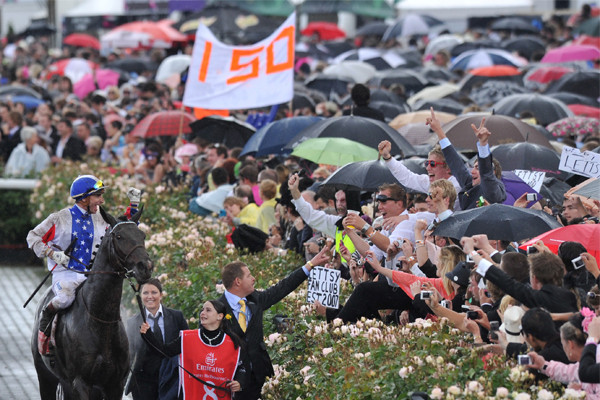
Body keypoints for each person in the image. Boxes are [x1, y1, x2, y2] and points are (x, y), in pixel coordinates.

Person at [26, 176, 139, 355]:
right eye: (98, 196)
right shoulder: (59, 218)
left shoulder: (101, 217)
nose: (102, 200)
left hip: (94, 274)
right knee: (65, 298)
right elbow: (32, 237)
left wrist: (134, 205)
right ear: (84, 198)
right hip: (66, 274)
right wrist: (51, 253)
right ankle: (46, 322)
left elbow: (124, 227)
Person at [218, 247, 329, 400]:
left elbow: (281, 288)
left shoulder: (255, 299)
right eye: (249, 276)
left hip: (261, 377)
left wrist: (310, 265)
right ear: (237, 282)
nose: (253, 279)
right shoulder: (216, 310)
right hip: (233, 382)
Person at [141, 299, 246, 400]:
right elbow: (163, 352)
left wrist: (239, 382)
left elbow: (242, 367)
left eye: (208, 310)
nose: (202, 313)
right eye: (202, 309)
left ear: (220, 316)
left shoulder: (233, 343)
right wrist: (148, 334)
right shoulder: (187, 338)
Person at [426, 108, 506, 209]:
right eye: (474, 167)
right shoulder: (470, 185)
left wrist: (483, 144)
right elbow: (456, 164)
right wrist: (439, 131)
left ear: (492, 172)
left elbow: (486, 173)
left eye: (477, 168)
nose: (472, 171)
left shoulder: (493, 191)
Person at [126, 278, 189, 400]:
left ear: (161, 294)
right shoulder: (133, 322)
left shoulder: (177, 317)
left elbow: (186, 345)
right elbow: (129, 354)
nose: (150, 296)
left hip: (172, 380)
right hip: (144, 383)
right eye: (145, 293)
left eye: (154, 292)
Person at [527, 313, 600, 395]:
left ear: (570, 344)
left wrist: (579, 394)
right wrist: (543, 365)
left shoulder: (596, 358)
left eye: (563, 344)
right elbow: (568, 372)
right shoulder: (585, 362)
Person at [379, 140, 462, 210]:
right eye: (427, 163)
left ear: (448, 168)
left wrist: (408, 217)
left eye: (432, 164)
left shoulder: (456, 187)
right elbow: (407, 177)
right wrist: (387, 157)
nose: (428, 168)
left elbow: (444, 213)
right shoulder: (430, 182)